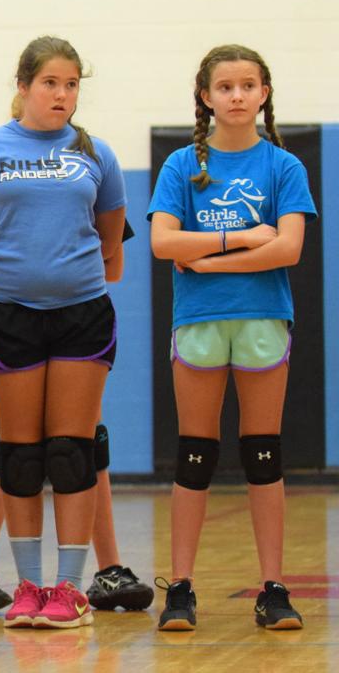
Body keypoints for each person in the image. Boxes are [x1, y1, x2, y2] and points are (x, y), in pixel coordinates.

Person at [0, 36, 127, 630]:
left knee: (72, 453)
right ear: (23, 85)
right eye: (51, 82)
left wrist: (64, 270)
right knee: (20, 455)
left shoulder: (97, 153)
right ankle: (27, 586)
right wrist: (15, 261)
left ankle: (69, 590)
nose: (62, 94)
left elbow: (109, 241)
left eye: (72, 84)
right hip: (10, 315)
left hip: (81, 315)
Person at [148, 44, 314, 632]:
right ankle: (182, 589)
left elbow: (289, 248)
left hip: (264, 318)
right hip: (198, 323)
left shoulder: (282, 167)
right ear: (206, 96)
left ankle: (272, 588)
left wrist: (208, 259)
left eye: (248, 85)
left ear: (264, 93)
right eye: (225, 86)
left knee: (262, 452)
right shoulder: (180, 167)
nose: (237, 95)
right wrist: (244, 242)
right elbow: (164, 244)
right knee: (195, 453)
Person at [0, 221, 154, 616]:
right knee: (10, 446)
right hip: (15, 324)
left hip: (75, 322)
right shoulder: (8, 178)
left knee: (83, 443)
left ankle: (108, 568)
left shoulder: (85, 182)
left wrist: (69, 270)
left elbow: (114, 268)